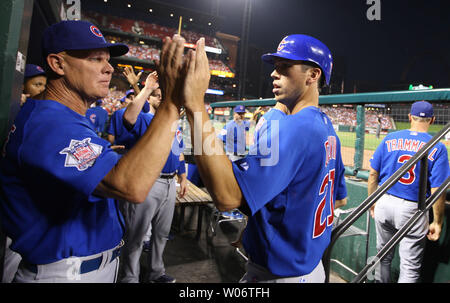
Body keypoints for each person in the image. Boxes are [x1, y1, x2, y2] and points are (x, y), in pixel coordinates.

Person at [0, 20, 186, 283]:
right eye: (95, 59)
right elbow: (131, 186)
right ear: (57, 64)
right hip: (64, 273)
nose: (109, 68)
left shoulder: (59, 115)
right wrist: (172, 101)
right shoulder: (50, 122)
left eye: (107, 59)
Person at [177, 34, 348, 283]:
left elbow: (227, 197)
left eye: (285, 67)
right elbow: (340, 198)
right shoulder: (326, 127)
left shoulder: (294, 128)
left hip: (279, 275)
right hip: (311, 269)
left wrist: (195, 105)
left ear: (313, 75)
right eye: (275, 67)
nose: (273, 74)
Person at [368, 100, 449, 283]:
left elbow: (373, 173)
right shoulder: (437, 146)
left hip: (384, 202)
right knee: (409, 268)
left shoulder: (390, 138)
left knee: (383, 258)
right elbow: (438, 190)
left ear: (409, 117)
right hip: (413, 209)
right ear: (432, 119)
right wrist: (438, 221)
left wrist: (373, 201)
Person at [119, 72, 187, 283]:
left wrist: (183, 177)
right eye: (157, 95)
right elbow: (128, 118)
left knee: (161, 234)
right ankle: (129, 277)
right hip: (148, 181)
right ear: (150, 99)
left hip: (169, 183)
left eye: (162, 95)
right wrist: (147, 88)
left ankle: (156, 273)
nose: (161, 98)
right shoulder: (145, 118)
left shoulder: (174, 124)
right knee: (136, 235)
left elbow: (179, 151)